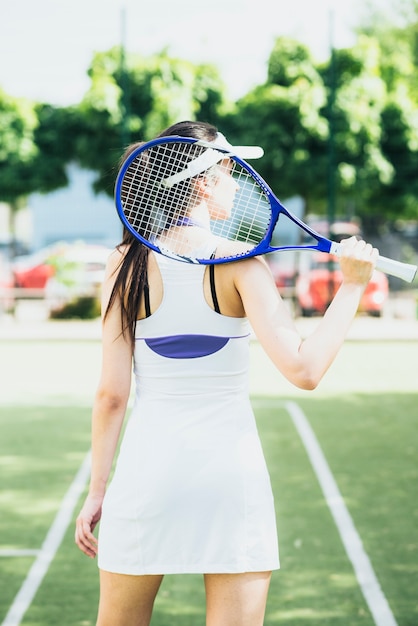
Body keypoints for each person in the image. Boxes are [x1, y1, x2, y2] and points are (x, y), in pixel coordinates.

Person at [75, 120, 378, 626]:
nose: (238, 182)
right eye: (231, 169)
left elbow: (111, 395)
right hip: (228, 481)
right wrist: (351, 289)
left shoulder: (121, 264)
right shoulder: (242, 266)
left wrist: (98, 490)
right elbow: (305, 370)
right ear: (201, 180)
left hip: (147, 478)